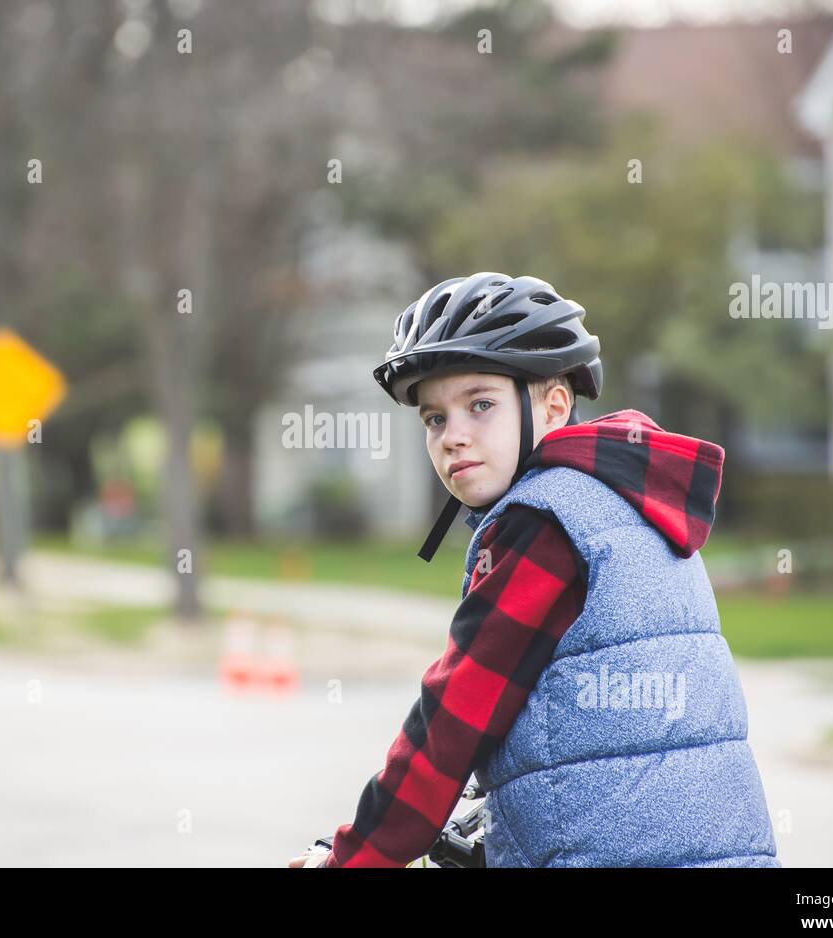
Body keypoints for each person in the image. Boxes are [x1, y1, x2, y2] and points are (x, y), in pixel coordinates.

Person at [290, 272, 779, 868]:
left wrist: (354, 858)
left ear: (552, 406)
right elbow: (605, 732)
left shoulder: (544, 527)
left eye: (480, 405)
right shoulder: (625, 502)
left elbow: (454, 718)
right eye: (434, 418)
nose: (452, 437)